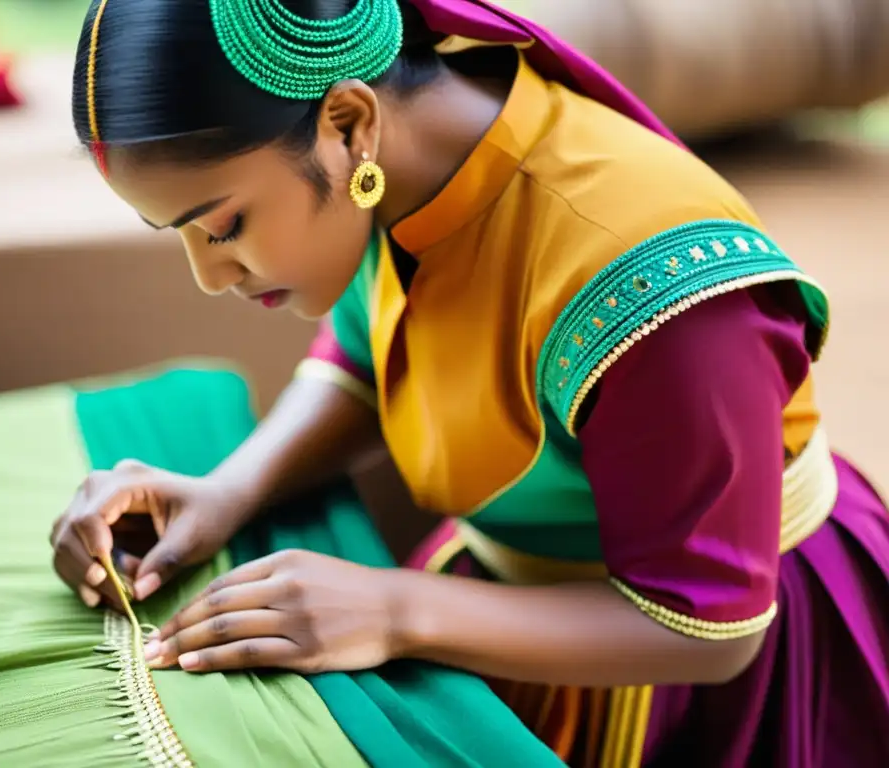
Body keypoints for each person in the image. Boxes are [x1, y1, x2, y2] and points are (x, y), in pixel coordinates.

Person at [51, 0, 889, 765]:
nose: (208, 274)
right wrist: (229, 490)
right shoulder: (404, 164)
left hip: (724, 679)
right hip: (505, 597)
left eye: (223, 224)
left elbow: (708, 629)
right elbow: (372, 353)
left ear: (347, 124)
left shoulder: (652, 286)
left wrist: (394, 611)